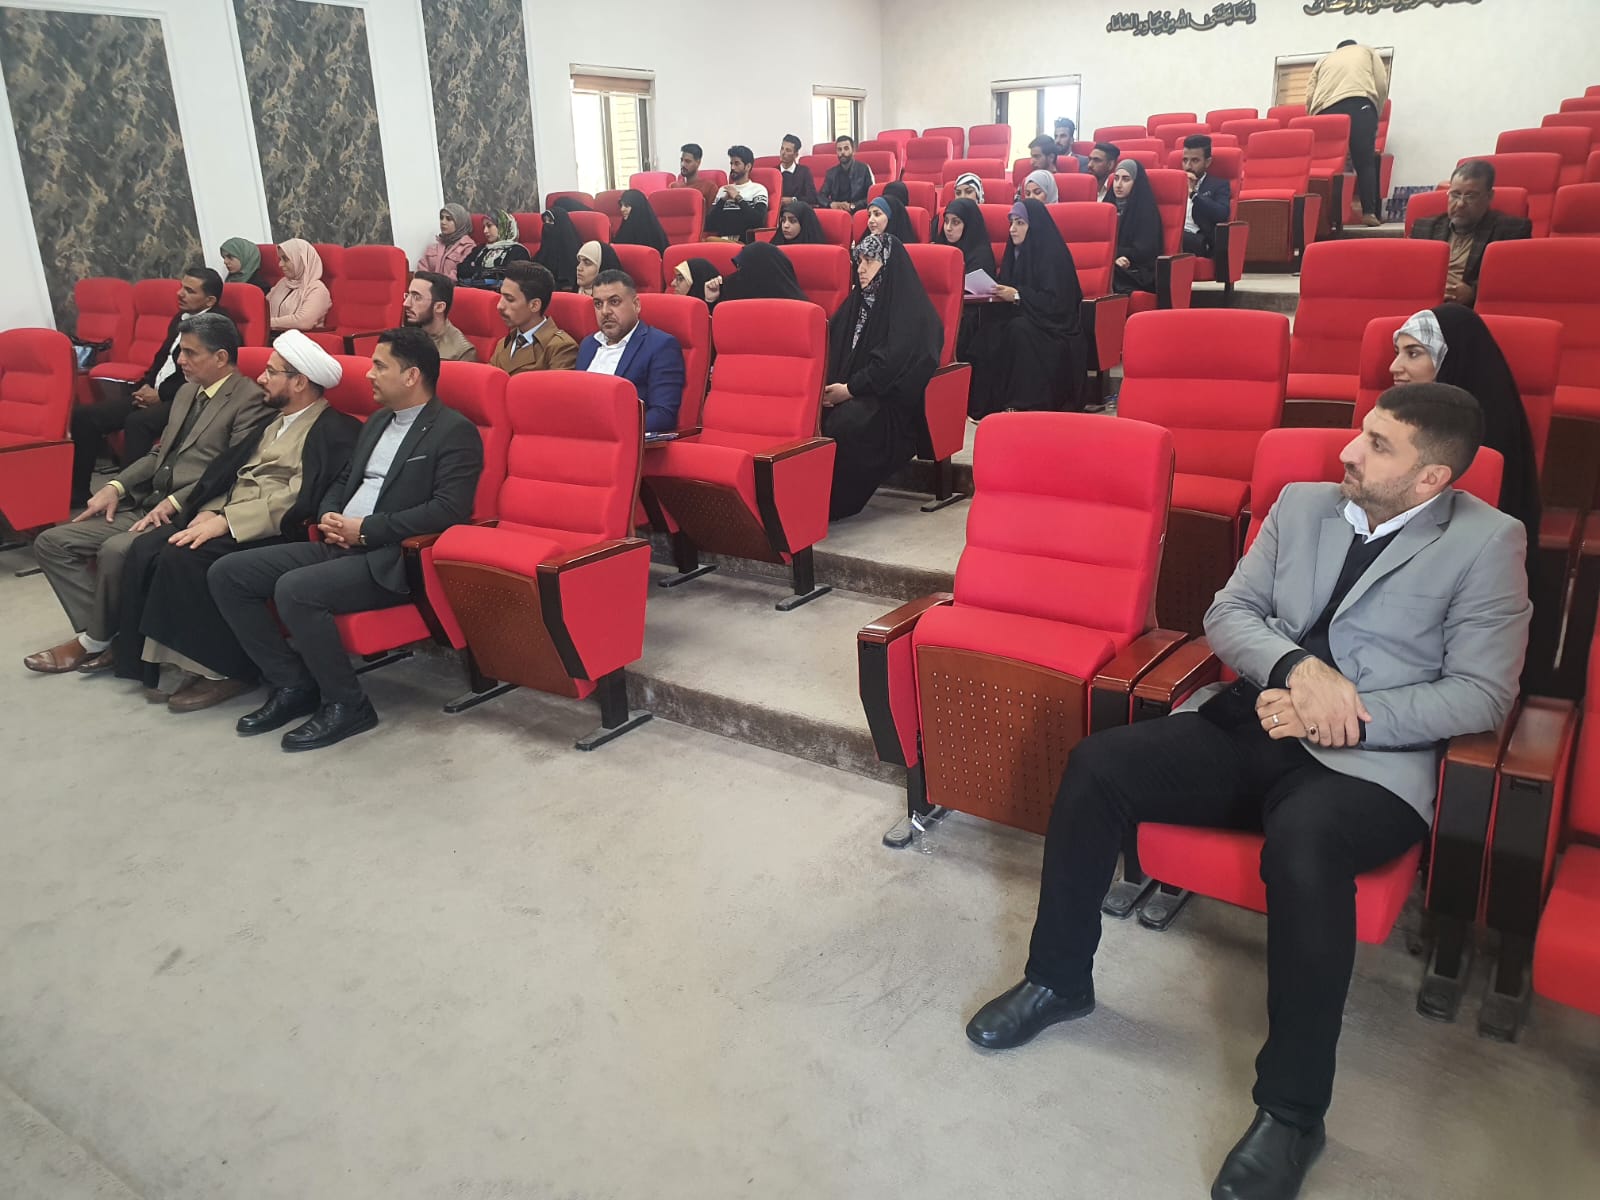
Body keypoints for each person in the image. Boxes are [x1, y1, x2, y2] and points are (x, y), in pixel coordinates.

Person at [966, 382, 1530, 1200]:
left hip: (1369, 763)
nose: (1349, 450)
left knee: (1305, 843)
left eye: (1378, 444)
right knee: (1098, 766)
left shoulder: (1487, 541)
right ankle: (1058, 979)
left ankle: (1293, 1112)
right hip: (1253, 718)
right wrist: (1297, 670)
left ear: (1430, 479)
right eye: (1362, 431)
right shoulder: (1302, 504)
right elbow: (1229, 612)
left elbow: (1481, 694)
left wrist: (1343, 716)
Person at [209, 327, 484, 751]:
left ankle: (348, 704)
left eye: (380, 366)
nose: (369, 374)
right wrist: (329, 514)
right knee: (228, 574)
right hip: (339, 541)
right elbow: (342, 479)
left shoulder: (453, 431)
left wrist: (368, 529)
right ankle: (293, 683)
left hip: (389, 558)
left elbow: (449, 510)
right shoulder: (377, 422)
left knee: (295, 589)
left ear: (411, 376)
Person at [113, 330, 361, 710]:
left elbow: (296, 499)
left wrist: (226, 522)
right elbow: (229, 472)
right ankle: (159, 657)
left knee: (185, 555)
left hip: (273, 528)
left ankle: (225, 669)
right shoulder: (274, 421)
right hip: (228, 514)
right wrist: (210, 509)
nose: (261, 378)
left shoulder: (336, 430)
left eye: (272, 372)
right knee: (148, 547)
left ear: (299, 382)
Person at [25, 312, 271, 675]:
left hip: (190, 511)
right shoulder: (187, 391)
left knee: (115, 550)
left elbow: (229, 471)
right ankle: (109, 633)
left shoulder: (249, 400)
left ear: (221, 357)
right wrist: (116, 485)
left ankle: (93, 642)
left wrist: (175, 501)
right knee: (52, 543)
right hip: (147, 501)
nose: (181, 361)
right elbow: (160, 454)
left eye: (190, 353)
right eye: (180, 352)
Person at [1391, 306, 1541, 551]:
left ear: (1450, 358)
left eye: (1413, 353)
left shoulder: (1491, 429)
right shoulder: (1391, 416)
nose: (1394, 367)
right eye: (1397, 353)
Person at [70, 267, 222, 506]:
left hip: (187, 399)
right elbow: (162, 359)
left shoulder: (217, 328)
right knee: (84, 417)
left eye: (190, 291)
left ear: (209, 301)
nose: (180, 293)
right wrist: (145, 386)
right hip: (155, 391)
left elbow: (204, 376)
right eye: (181, 287)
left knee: (137, 422)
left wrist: (160, 395)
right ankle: (78, 493)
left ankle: (128, 495)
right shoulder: (181, 317)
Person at [821, 234, 943, 520]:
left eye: (870, 261)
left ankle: (834, 504)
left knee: (844, 425)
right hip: (848, 391)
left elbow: (893, 365)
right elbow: (829, 345)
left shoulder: (912, 311)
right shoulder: (857, 302)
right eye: (859, 261)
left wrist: (849, 389)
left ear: (887, 265)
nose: (861, 269)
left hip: (891, 405)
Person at [967, 198, 1085, 418]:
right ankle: (982, 406)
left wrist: (1018, 295)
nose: (1012, 229)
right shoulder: (1014, 253)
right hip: (1024, 317)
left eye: (1020, 223)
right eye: (1011, 222)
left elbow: (1058, 303)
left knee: (1018, 330)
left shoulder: (1053, 255)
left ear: (1034, 226)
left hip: (1055, 328)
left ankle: (1022, 403)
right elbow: (1008, 286)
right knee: (987, 335)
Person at [576, 270, 686, 434]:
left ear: (636, 305)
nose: (605, 311)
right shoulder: (588, 345)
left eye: (614, 302)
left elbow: (663, 414)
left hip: (617, 439)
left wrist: (608, 430)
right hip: (578, 435)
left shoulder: (660, 346)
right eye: (598, 304)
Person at [1409, 161, 1531, 307]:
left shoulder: (1510, 230)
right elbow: (1409, 273)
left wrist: (1473, 293)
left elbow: (1513, 279)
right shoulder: (1425, 227)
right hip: (1424, 305)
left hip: (1470, 309)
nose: (1460, 204)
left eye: (1470, 196)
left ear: (1489, 197)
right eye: (1455, 195)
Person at [1306, 39, 1390, 227]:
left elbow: (1310, 93)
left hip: (1325, 110)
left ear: (1338, 49)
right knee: (1365, 162)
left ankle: (1324, 217)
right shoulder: (1367, 51)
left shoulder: (1324, 59)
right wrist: (1375, 111)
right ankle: (1369, 213)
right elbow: (1381, 84)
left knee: (1328, 166)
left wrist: (1313, 119)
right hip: (1358, 103)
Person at [935, 198, 997, 361]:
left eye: (955, 222)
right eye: (946, 221)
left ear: (968, 224)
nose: (948, 228)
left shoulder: (981, 254)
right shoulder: (939, 246)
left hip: (972, 311)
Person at [490, 262, 578, 374]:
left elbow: (556, 385)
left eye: (510, 299)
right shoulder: (504, 343)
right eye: (501, 296)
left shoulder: (560, 347)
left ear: (534, 305)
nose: (499, 306)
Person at [1109, 159, 1162, 295]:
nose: (1118, 185)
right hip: (1113, 264)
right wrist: (1113, 258)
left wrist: (1114, 256)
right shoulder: (1107, 206)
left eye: (1126, 179)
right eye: (1116, 178)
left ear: (1136, 183)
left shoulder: (1146, 211)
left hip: (1138, 270)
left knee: (1109, 272)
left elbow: (1144, 252)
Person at [402, 271, 477, 363]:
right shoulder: (404, 334)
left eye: (417, 297)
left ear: (439, 307)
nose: (406, 303)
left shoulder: (461, 352)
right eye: (407, 295)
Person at [711, 242, 810, 305]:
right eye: (738, 269)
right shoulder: (739, 301)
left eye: (742, 270)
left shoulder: (799, 311)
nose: (737, 276)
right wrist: (710, 301)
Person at [1181, 134, 1232, 256]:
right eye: (1185, 160)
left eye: (1195, 161)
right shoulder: (1174, 183)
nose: (1188, 166)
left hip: (1200, 240)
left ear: (1207, 162)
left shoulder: (1219, 185)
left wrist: (1193, 194)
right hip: (1176, 234)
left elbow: (1222, 214)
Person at [266, 239, 332, 332]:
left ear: (301, 260)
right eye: (280, 259)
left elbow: (303, 322)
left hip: (301, 338)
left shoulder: (317, 289)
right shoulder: (283, 283)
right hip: (272, 336)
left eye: (285, 259)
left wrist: (266, 323)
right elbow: (264, 307)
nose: (280, 264)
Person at [705, 145, 769, 239]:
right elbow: (709, 224)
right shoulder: (723, 190)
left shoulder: (758, 190)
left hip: (744, 241)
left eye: (737, 163)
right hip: (721, 240)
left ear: (748, 166)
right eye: (731, 163)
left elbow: (758, 222)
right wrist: (723, 200)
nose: (732, 167)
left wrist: (738, 198)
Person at [457, 209, 531, 285]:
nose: (485, 231)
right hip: (473, 289)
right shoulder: (481, 249)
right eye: (484, 227)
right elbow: (461, 270)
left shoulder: (518, 251)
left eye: (489, 226)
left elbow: (510, 276)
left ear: (502, 226)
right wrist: (489, 272)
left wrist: (477, 271)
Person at [415, 203, 476, 278]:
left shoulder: (468, 247)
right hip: (429, 285)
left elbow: (460, 273)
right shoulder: (434, 247)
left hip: (451, 285)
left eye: (449, 219)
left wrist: (438, 282)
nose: (443, 222)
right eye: (441, 218)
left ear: (459, 222)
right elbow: (422, 269)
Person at [819, 135, 874, 213]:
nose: (842, 152)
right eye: (839, 149)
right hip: (837, 212)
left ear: (853, 151)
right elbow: (821, 196)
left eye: (846, 148)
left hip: (858, 211)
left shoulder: (864, 169)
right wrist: (831, 204)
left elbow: (871, 196)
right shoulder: (831, 173)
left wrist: (853, 206)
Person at [533, 205, 582, 292]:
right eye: (545, 221)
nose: (546, 225)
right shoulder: (542, 252)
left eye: (550, 221)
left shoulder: (576, 253)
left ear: (561, 224)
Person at [615, 189, 670, 253]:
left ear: (637, 207)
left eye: (626, 206)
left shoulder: (652, 233)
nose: (622, 209)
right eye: (621, 205)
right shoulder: (624, 228)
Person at [777, 133, 820, 204]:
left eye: (788, 150)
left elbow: (812, 197)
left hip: (797, 208)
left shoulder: (804, 172)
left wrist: (793, 200)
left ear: (796, 155)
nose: (783, 153)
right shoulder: (774, 172)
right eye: (782, 149)